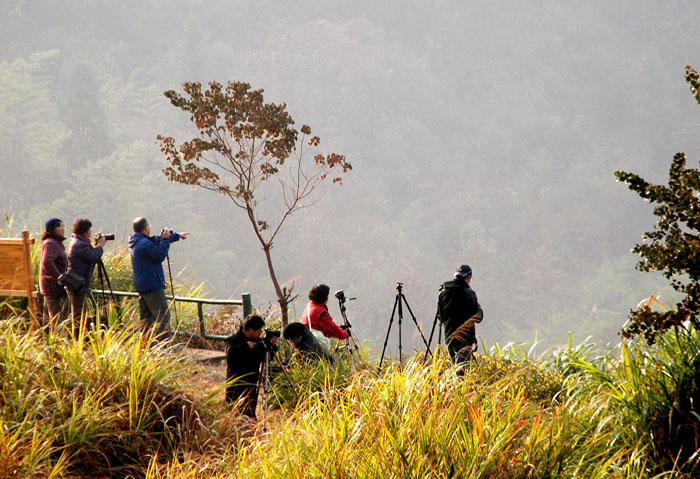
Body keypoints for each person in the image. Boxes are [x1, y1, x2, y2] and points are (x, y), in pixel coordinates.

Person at [128, 217, 189, 340]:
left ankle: (147, 347)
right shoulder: (144, 244)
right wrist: (165, 239)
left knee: (147, 319)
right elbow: (159, 254)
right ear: (145, 228)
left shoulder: (136, 241)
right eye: (149, 226)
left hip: (142, 286)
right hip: (152, 286)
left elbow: (156, 240)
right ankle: (165, 348)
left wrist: (176, 236)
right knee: (163, 317)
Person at [225, 314, 278, 418]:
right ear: (251, 331)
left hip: (251, 384)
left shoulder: (258, 342)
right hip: (235, 384)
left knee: (249, 416)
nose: (260, 333)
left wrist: (272, 346)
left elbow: (268, 358)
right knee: (234, 415)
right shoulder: (232, 340)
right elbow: (230, 353)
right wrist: (246, 346)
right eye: (259, 330)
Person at [437, 264, 483, 365]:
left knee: (456, 367)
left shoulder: (443, 293)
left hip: (449, 338)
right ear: (468, 277)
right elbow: (479, 317)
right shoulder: (469, 293)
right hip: (465, 339)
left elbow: (440, 317)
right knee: (461, 371)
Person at [66, 218, 106, 329]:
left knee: (79, 312)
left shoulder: (77, 242)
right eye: (89, 229)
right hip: (77, 284)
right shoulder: (80, 245)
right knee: (78, 315)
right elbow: (93, 257)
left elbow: (89, 254)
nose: (91, 231)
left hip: (76, 282)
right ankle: (77, 338)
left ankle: (77, 336)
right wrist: (100, 246)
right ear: (85, 231)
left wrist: (95, 245)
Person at [39, 217, 68, 327]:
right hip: (51, 285)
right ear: (52, 229)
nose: (63, 229)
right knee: (55, 317)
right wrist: (58, 276)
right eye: (60, 226)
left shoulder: (55, 242)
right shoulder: (51, 243)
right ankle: (55, 340)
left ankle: (43, 340)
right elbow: (47, 262)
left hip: (51, 284)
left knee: (48, 317)